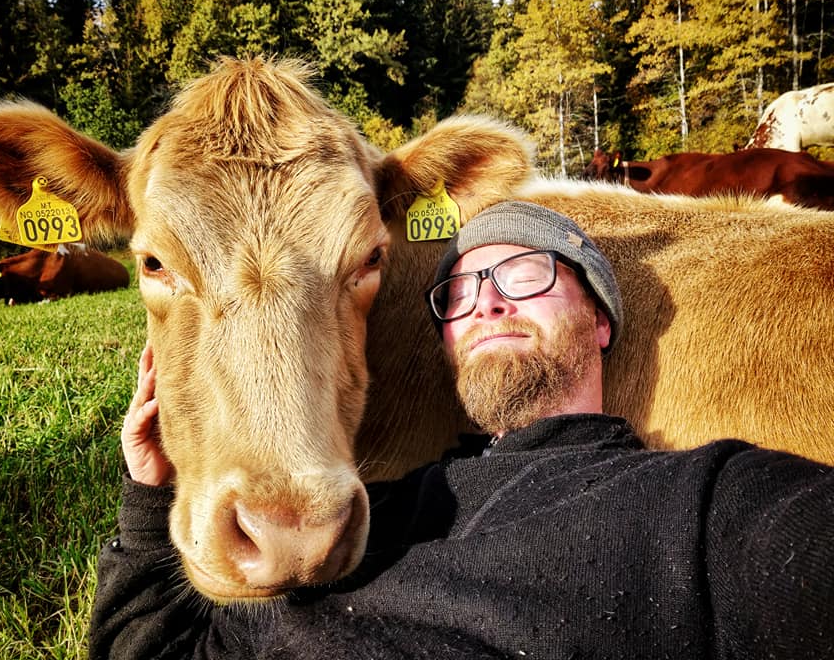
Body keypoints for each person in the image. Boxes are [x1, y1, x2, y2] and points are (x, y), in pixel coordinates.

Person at [90, 201, 834, 659]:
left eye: (527, 276)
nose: (489, 303)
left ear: (601, 321)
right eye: (462, 293)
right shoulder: (363, 521)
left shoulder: (699, 501)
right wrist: (149, 499)